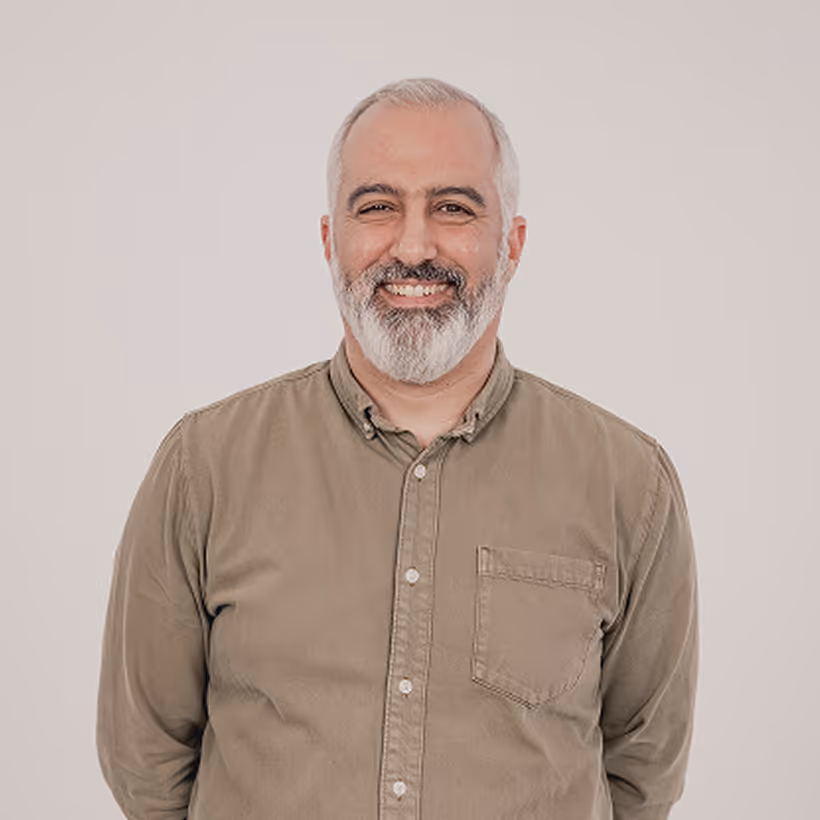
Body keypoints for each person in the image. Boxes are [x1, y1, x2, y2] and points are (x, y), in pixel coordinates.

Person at [97, 78, 698, 820]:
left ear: (510, 245)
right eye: (378, 207)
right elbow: (147, 761)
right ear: (330, 241)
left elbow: (643, 772)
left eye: (453, 207)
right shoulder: (203, 467)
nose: (414, 246)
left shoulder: (629, 485)